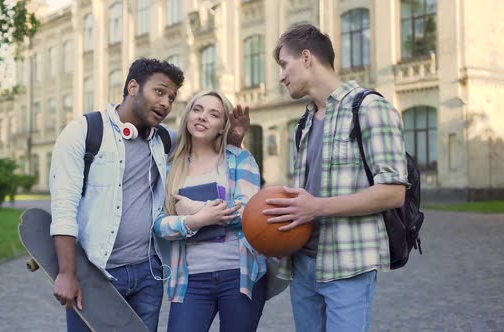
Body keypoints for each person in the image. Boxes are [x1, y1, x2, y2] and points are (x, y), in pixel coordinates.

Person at [48, 58, 250, 332]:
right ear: (133, 87)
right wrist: (66, 272)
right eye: (159, 91)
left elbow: (206, 141)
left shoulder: (164, 139)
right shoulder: (84, 133)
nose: (166, 103)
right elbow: (64, 207)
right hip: (96, 274)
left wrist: (234, 140)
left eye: (172, 97)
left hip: (148, 275)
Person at [265, 24, 408, 332]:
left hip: (348, 264)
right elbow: (307, 196)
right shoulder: (303, 122)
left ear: (306, 58)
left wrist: (316, 207)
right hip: (302, 264)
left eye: (283, 64)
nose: (281, 75)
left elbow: (393, 192)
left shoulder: (370, 108)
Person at [154, 90, 267, 332]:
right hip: (190, 280)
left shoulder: (240, 160)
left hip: (239, 275)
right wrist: (194, 222)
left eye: (213, 114)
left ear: (222, 126)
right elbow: (159, 224)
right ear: (187, 117)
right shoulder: (170, 167)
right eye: (197, 109)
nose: (203, 117)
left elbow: (248, 215)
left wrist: (196, 209)